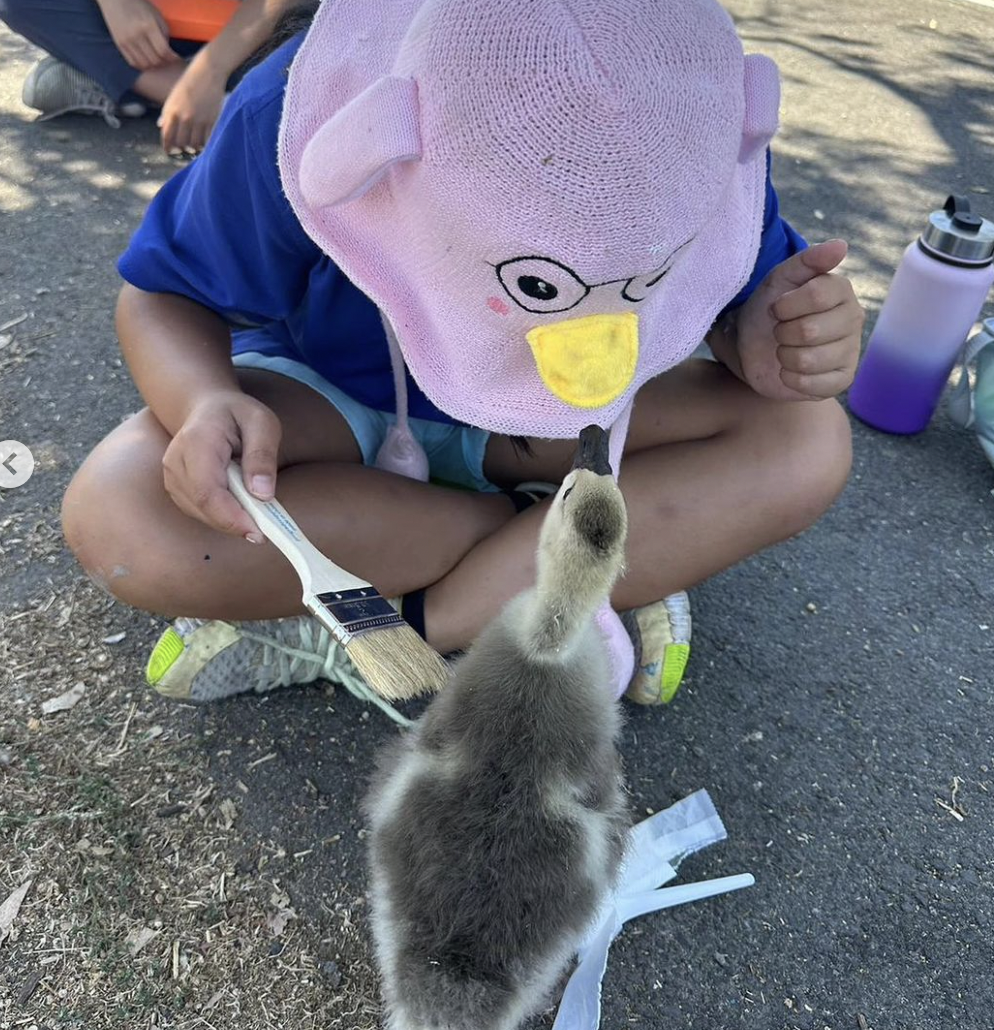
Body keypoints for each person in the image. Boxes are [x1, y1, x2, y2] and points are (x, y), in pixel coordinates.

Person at [60, 0, 863, 711]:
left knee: (803, 437)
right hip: (338, 394)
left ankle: (401, 627)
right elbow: (164, 294)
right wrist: (201, 399)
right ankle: (566, 557)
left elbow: (736, 293)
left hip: (564, 423)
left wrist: (765, 334)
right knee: (123, 516)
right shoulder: (299, 110)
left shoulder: (680, 101)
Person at [0, 0, 301, 151]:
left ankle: (125, 85)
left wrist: (209, 71)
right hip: (155, 25)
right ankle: (228, 113)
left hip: (263, 32)